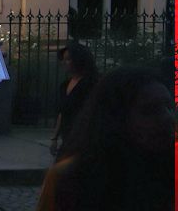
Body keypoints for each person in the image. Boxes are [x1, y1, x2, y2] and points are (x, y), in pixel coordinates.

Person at [35, 65, 174, 211]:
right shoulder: (70, 176)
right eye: (149, 110)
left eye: (169, 107)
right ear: (116, 117)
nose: (167, 118)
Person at [48, 42, 96, 158]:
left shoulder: (90, 84)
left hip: (85, 138)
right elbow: (62, 113)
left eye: (68, 59)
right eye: (63, 59)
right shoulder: (65, 85)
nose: (64, 63)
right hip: (68, 136)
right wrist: (55, 138)